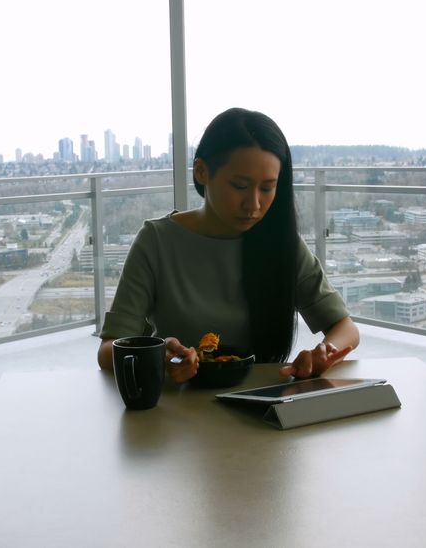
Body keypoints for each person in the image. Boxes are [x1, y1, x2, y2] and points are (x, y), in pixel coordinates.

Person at [96, 107, 359, 383]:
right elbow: (108, 350)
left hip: (265, 404)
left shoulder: (279, 242)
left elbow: (346, 328)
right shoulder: (157, 241)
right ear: (201, 172)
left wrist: (324, 353)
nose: (254, 204)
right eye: (240, 185)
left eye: (268, 188)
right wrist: (158, 358)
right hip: (179, 410)